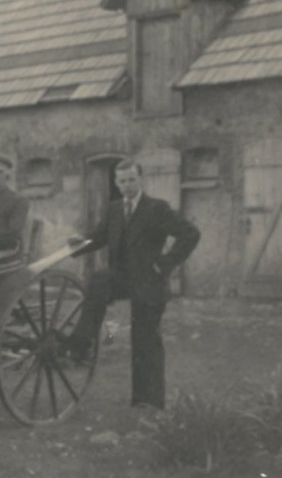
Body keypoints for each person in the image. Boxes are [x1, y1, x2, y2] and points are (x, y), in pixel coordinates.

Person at [65, 159, 200, 410]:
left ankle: (148, 401)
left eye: (131, 180)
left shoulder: (156, 208)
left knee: (145, 340)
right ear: (117, 183)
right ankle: (81, 342)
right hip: (123, 278)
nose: (127, 185)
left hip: (149, 281)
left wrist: (166, 263)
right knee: (99, 280)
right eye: (122, 181)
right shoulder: (115, 209)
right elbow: (98, 237)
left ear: (141, 180)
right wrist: (80, 242)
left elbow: (191, 233)